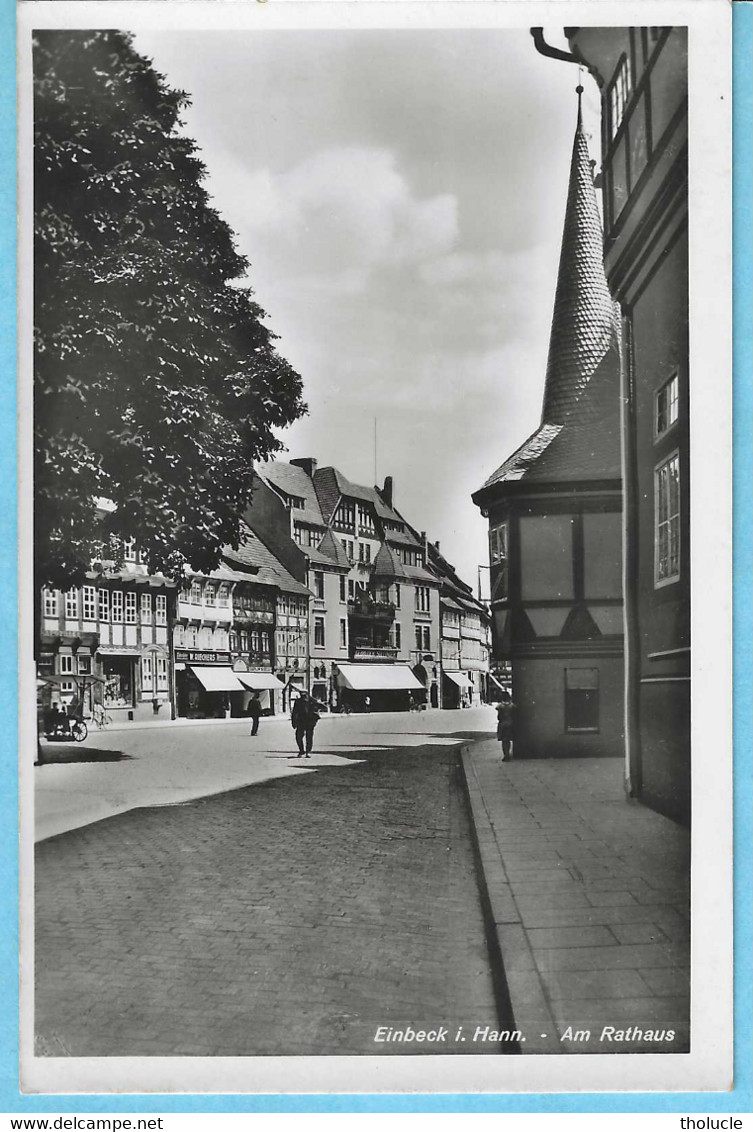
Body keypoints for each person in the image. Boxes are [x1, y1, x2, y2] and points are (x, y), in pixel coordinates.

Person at [291, 693, 321, 758]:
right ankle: (301, 751)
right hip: (301, 721)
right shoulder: (298, 702)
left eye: (305, 695)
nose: (304, 696)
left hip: (310, 721)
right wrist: (293, 722)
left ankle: (308, 751)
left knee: (309, 737)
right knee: (298, 736)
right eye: (302, 695)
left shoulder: (313, 701)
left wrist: (315, 717)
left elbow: (320, 708)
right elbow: (294, 712)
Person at [496, 691, 515, 761]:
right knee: (508, 740)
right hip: (510, 723)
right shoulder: (512, 705)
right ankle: (508, 754)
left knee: (504, 741)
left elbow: (498, 717)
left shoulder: (500, 706)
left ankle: (505, 754)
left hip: (502, 724)